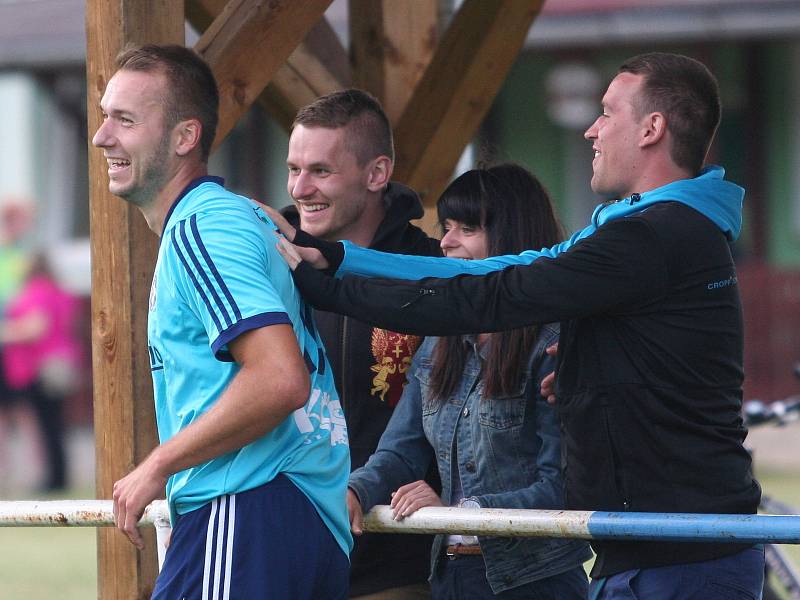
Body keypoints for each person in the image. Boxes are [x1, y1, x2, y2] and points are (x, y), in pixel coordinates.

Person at [275, 52, 765, 599]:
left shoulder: (654, 236)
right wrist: (342, 262)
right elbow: (496, 272)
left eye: (606, 112)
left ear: (653, 128)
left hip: (682, 556)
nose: (590, 129)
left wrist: (330, 285)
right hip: (640, 551)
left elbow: (494, 291)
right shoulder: (649, 229)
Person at [91, 44, 351, 599]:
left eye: (125, 120)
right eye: (103, 116)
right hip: (285, 517)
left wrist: (156, 465)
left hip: (247, 509)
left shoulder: (203, 227)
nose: (102, 137)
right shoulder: (225, 219)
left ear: (185, 137)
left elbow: (280, 378)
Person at [346, 164, 591, 599]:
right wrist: (356, 490)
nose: (446, 242)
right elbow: (400, 451)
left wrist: (463, 514)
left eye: (468, 228)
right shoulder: (443, 338)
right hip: (451, 576)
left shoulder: (554, 345)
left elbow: (563, 484)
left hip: (535, 583)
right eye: (446, 226)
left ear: (513, 240)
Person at [283, 89, 441, 599]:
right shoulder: (269, 269)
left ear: (376, 174)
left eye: (321, 171)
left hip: (402, 563)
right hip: (289, 553)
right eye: (293, 169)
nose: (300, 188)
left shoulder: (434, 272)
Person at [0, 252, 83, 491]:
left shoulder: (37, 292)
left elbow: (37, 327)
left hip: (42, 366)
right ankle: (59, 475)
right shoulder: (59, 292)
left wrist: (7, 332)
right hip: (63, 362)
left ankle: (54, 478)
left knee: (46, 423)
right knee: (55, 423)